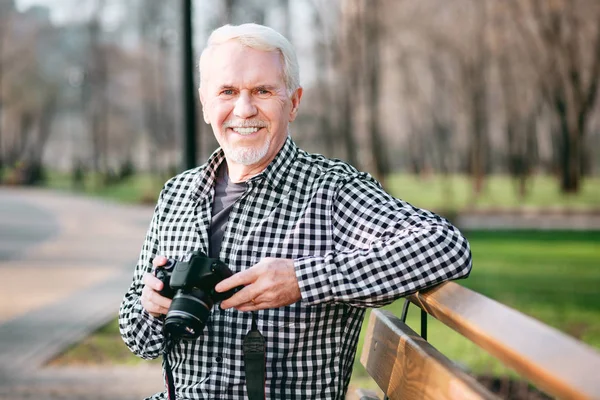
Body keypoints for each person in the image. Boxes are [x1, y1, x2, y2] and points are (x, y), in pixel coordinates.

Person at [119, 23, 472, 400]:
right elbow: (138, 340)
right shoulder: (177, 194)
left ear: (294, 101)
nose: (244, 108)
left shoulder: (332, 190)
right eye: (228, 91)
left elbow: (445, 247)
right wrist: (150, 308)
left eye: (263, 91)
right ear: (205, 104)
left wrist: (303, 280)